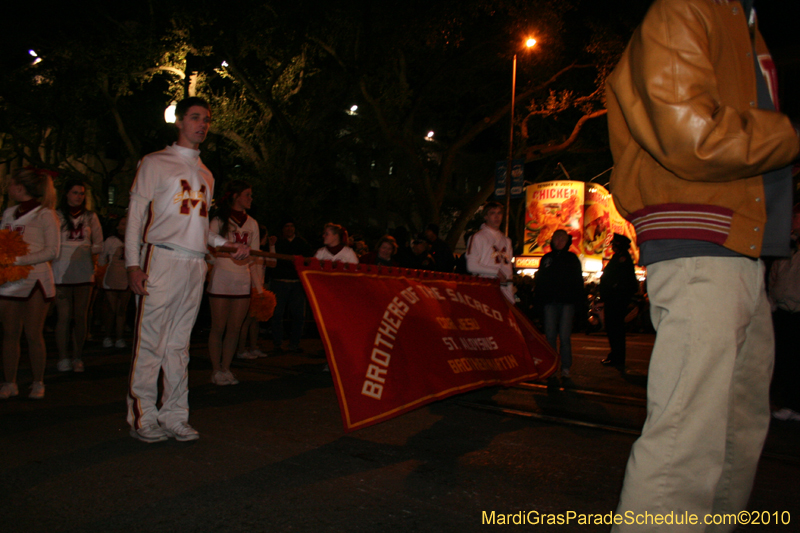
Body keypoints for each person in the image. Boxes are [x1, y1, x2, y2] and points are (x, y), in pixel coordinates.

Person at [605, 0, 800, 528]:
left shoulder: (744, 24)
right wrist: (791, 133)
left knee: (736, 431)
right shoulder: (686, 7)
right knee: (686, 441)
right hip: (700, 239)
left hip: (739, 245)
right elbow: (691, 136)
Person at [125, 97, 249, 443]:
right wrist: (133, 264)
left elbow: (201, 229)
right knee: (150, 343)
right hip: (160, 259)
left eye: (206, 119)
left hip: (195, 264)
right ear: (178, 122)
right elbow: (136, 218)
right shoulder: (154, 163)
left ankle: (175, 415)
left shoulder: (206, 173)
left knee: (179, 345)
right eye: (195, 118)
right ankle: (142, 417)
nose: (202, 124)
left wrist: (226, 245)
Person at [0, 168, 59, 400]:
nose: (8, 188)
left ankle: (38, 381)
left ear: (21, 187)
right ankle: (9, 381)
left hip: (36, 279)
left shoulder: (46, 214)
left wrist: (17, 259)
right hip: (9, 280)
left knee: (33, 333)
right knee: (9, 333)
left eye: (11, 183)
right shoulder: (8, 212)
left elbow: (52, 251)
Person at [206, 180, 261, 385]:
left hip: (242, 278)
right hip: (221, 275)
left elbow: (254, 254)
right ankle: (215, 370)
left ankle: (226, 368)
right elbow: (209, 243)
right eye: (247, 194)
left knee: (235, 328)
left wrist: (258, 286)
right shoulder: (219, 219)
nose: (250, 198)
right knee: (218, 326)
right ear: (236, 196)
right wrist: (224, 256)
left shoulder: (253, 223)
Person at [52, 179, 103, 373]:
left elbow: (99, 242)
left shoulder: (91, 217)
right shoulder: (55, 215)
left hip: (83, 268)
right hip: (60, 270)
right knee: (64, 316)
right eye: (75, 192)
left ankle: (77, 356)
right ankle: (63, 357)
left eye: (81, 193)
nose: (78, 196)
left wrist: (88, 250)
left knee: (81, 316)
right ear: (66, 194)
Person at [534, 229, 584, 379]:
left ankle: (566, 367)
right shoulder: (546, 258)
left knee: (564, 336)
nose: (559, 242)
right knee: (549, 335)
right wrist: (537, 304)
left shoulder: (572, 259)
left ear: (567, 241)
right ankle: (552, 366)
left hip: (567, 303)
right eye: (557, 239)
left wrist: (580, 305)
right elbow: (540, 282)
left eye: (562, 239)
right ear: (552, 240)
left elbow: (578, 283)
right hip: (549, 302)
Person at [768, 203, 800, 422]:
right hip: (783, 312)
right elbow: (774, 276)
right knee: (786, 359)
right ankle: (789, 402)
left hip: (798, 311)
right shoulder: (788, 248)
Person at [269, 219, 312, 354]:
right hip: (279, 282)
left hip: (296, 283)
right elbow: (272, 259)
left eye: (292, 226)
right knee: (277, 314)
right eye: (286, 226)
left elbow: (308, 260)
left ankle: (294, 344)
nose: (289, 229)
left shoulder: (301, 243)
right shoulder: (278, 242)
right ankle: (277, 344)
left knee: (299, 315)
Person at [598, 233, 637, 370]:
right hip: (614, 298)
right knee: (614, 329)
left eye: (614, 243)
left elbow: (621, 279)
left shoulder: (623, 258)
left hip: (616, 299)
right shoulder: (620, 257)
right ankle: (615, 355)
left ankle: (617, 357)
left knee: (615, 329)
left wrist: (613, 288)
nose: (612, 246)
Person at [466, 201, 514, 303]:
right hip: (485, 287)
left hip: (503, 289)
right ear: (486, 217)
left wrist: (510, 292)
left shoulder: (506, 240)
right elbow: (471, 266)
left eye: (499, 213)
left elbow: (508, 269)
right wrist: (496, 272)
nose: (497, 217)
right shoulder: (478, 237)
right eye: (493, 213)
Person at [99, 216, 131, 349]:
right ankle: (107, 336)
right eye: (122, 223)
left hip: (127, 278)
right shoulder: (111, 241)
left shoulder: (133, 240)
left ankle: (119, 337)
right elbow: (102, 258)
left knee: (121, 310)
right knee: (111, 310)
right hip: (112, 278)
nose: (125, 226)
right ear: (117, 226)